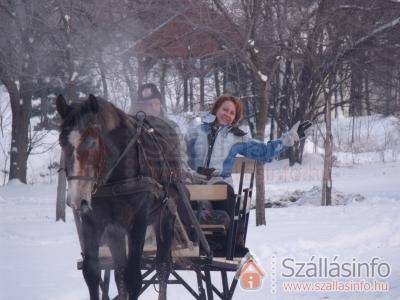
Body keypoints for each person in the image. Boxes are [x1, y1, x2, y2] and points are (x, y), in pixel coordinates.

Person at [184, 95, 311, 249]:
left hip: (219, 182)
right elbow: (179, 154)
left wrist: (290, 138)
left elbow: (264, 152)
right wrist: (187, 173)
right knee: (179, 195)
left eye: (232, 113)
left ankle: (231, 242)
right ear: (216, 108)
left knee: (226, 194)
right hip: (194, 182)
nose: (228, 114)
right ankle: (183, 239)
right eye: (225, 109)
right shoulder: (195, 132)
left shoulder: (237, 138)